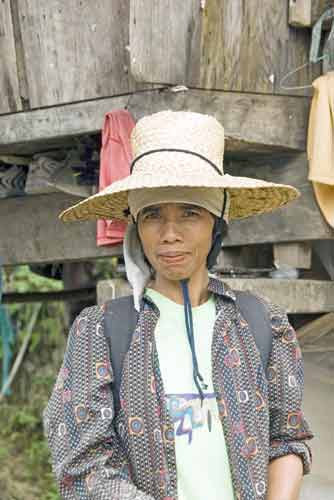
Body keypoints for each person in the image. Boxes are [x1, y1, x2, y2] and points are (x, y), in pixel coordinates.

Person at [43, 110, 313, 500]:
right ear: (135, 227)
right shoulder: (102, 332)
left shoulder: (260, 323)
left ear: (216, 224)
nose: (170, 234)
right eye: (153, 215)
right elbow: (82, 468)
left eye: (190, 213)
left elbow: (287, 439)